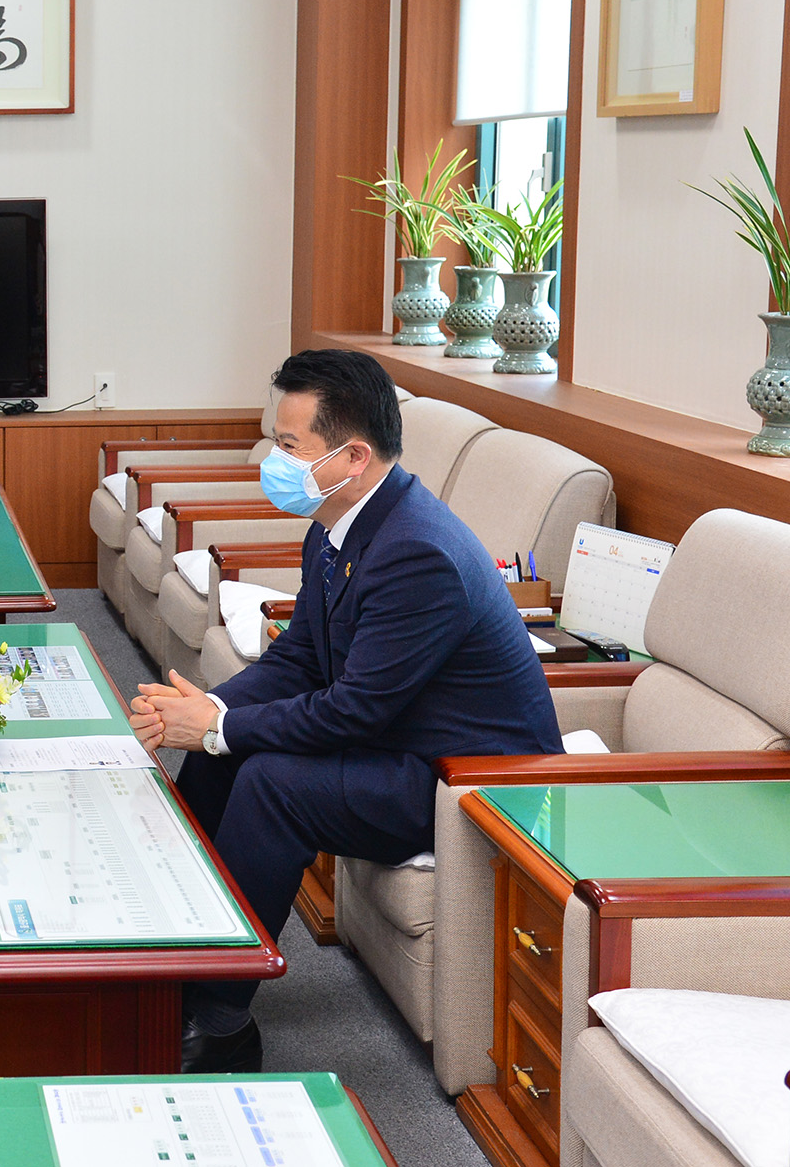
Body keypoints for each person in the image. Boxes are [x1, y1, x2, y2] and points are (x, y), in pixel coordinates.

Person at [129, 348, 560, 1074]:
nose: (273, 456)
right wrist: (209, 711)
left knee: (268, 781)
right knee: (222, 752)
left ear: (352, 454)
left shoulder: (416, 551)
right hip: (403, 745)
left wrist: (218, 726)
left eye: (289, 445)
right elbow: (301, 656)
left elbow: (353, 711)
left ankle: (221, 1019)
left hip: (466, 783)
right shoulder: (340, 525)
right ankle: (181, 946)